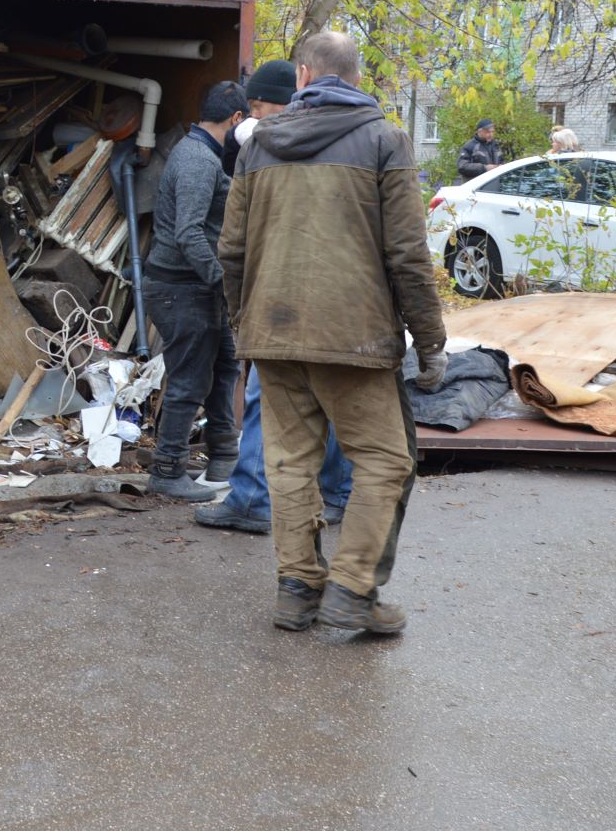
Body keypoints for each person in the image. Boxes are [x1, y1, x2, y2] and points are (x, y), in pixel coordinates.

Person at [220, 31, 448, 634]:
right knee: (384, 461)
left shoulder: (258, 146)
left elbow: (232, 250)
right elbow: (407, 253)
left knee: (290, 462)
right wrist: (431, 343)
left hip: (273, 331)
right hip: (354, 336)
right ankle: (351, 590)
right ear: (353, 76)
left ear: (301, 76)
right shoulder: (384, 140)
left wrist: (243, 324)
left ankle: (297, 591)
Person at [197, 61, 354, 535]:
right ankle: (338, 493)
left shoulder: (268, 149)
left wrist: (237, 305)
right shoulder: (363, 137)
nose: (253, 116)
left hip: (283, 294)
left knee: (265, 394)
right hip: (344, 296)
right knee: (332, 394)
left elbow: (235, 242)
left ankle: (251, 498)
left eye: (260, 106)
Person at [142, 80, 249, 502]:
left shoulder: (200, 153)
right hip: (180, 288)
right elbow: (188, 233)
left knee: (224, 366)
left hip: (196, 287)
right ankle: (167, 470)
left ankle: (224, 454)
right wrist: (224, 283)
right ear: (236, 119)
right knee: (189, 380)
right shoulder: (198, 161)